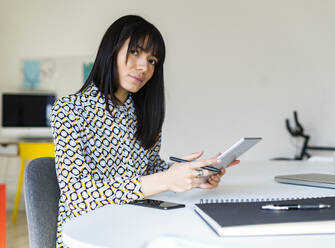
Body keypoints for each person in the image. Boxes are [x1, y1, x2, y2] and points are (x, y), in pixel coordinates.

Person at [50, 15, 239, 247]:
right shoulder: (70, 110)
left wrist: (192, 176)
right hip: (88, 235)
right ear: (111, 50)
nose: (143, 67)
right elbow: (78, 196)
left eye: (152, 61)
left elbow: (148, 170)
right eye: (135, 52)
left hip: (135, 225)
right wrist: (167, 179)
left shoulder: (142, 113)